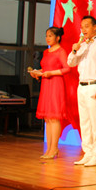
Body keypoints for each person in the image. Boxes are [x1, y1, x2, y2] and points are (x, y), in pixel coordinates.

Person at [67, 16, 96, 168]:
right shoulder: (82, 45)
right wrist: (75, 50)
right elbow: (70, 63)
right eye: (82, 27)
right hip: (82, 86)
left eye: (86, 26)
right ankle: (88, 153)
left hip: (95, 85)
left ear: (95, 27)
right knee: (85, 122)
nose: (83, 29)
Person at [30, 27, 70, 159]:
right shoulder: (46, 52)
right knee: (47, 118)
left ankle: (54, 148)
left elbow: (67, 68)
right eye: (46, 36)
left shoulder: (61, 51)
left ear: (58, 38)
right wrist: (38, 72)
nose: (47, 38)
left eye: (50, 36)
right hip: (46, 84)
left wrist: (51, 73)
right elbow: (46, 68)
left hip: (56, 84)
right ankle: (49, 148)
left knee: (54, 117)